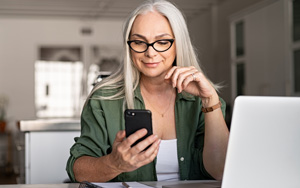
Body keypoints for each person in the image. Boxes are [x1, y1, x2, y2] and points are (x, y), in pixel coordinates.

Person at [66, 0, 229, 183]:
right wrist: (114, 163)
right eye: (139, 42)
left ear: (178, 44)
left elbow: (221, 171)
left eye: (162, 42)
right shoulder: (103, 99)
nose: (150, 53)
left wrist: (210, 101)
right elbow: (78, 171)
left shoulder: (205, 100)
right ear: (129, 47)